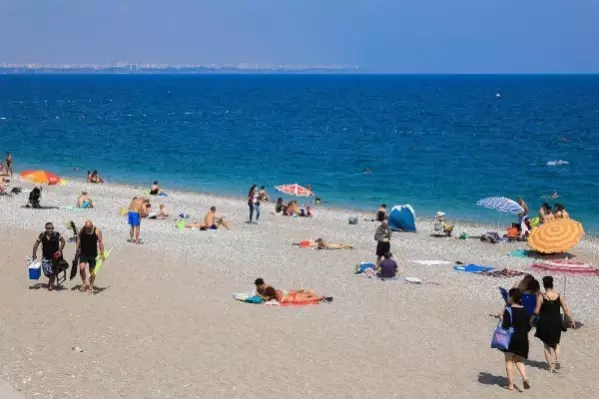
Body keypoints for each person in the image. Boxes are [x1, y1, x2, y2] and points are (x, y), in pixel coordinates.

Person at [534, 276, 575, 372]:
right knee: (556, 343)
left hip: (544, 323)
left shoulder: (541, 296)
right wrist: (571, 320)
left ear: (544, 285)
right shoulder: (559, 296)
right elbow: (566, 311)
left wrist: (531, 318)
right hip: (556, 322)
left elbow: (536, 311)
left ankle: (549, 367)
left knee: (546, 344)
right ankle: (557, 359)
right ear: (552, 284)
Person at [501, 288, 532, 391]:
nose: (508, 298)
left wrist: (501, 318)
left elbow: (505, 326)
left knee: (509, 361)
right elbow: (529, 327)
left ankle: (511, 385)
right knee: (519, 360)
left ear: (512, 298)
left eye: (509, 296)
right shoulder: (526, 311)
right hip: (523, 339)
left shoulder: (508, 310)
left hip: (511, 339)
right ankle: (525, 377)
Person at [32, 222, 66, 291]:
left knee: (52, 271)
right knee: (46, 272)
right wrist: (34, 254)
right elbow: (36, 244)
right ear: (46, 229)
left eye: (52, 228)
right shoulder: (42, 235)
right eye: (49, 228)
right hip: (45, 257)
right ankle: (50, 279)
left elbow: (63, 241)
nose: (51, 230)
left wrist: (59, 250)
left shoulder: (57, 234)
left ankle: (51, 285)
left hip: (55, 257)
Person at [76, 220, 105, 294]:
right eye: (86, 228)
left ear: (92, 226)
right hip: (84, 253)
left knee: (92, 271)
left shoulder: (97, 231)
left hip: (93, 254)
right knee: (82, 268)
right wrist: (77, 249)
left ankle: (91, 286)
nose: (87, 229)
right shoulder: (82, 229)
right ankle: (84, 283)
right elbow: (79, 238)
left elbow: (100, 242)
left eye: (89, 228)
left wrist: (102, 254)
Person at [260, 286, 332, 304]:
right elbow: (287, 292)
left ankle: (323, 298)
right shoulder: (278, 291)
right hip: (294, 295)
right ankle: (321, 297)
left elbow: (280, 302)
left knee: (311, 299)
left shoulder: (277, 295)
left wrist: (267, 300)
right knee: (309, 295)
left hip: (294, 299)